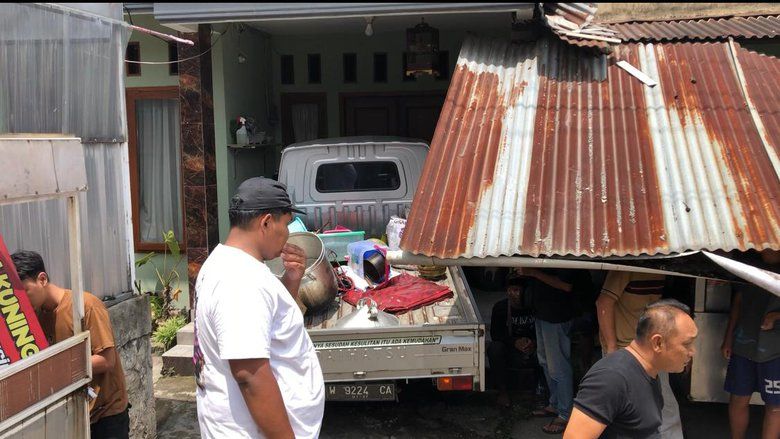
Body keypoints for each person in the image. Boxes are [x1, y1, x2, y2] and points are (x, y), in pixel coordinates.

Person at [193, 176, 324, 438]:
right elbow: (250, 376)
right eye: (286, 224)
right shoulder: (240, 280)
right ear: (266, 222)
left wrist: (292, 279)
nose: (288, 234)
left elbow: (268, 328)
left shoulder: (227, 263)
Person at [11, 250, 130, 439]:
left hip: (106, 415)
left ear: (42, 279)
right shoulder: (37, 318)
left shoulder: (86, 305)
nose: (22, 300)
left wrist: (54, 366)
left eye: (25, 291)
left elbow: (107, 361)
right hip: (73, 414)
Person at [564, 299, 698, 439]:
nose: (692, 351)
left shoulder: (649, 372)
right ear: (658, 343)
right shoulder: (611, 378)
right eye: (687, 344)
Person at [595, 270, 684, 439]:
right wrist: (612, 348)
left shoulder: (659, 269)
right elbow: (603, 303)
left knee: (663, 404)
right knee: (623, 406)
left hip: (651, 347)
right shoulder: (625, 269)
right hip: (624, 348)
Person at [516, 267, 591, 435]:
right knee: (545, 362)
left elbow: (566, 285)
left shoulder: (564, 252)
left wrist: (532, 272)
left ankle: (565, 413)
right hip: (543, 313)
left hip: (557, 315)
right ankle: (555, 404)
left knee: (558, 366)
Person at [721, 281, 780, 439]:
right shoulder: (748, 262)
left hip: (775, 351)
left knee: (775, 406)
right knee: (738, 398)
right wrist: (728, 337)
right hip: (744, 344)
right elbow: (738, 302)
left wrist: (776, 315)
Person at [488, 276, 538, 408]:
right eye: (509, 290)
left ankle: (542, 389)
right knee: (494, 348)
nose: (512, 294)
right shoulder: (501, 308)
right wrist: (515, 342)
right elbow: (496, 334)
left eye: (516, 290)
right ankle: (502, 391)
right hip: (511, 350)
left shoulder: (535, 306)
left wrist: (533, 343)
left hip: (535, 349)